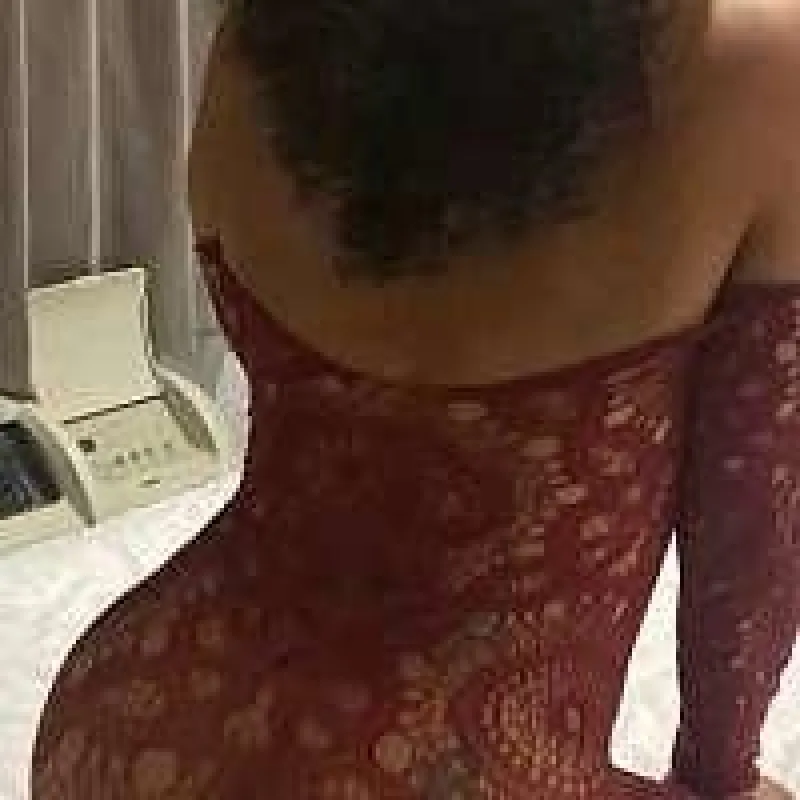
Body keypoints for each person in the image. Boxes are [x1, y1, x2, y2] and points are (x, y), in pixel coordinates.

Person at [31, 0, 799, 797]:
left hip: (126, 723)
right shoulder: (751, 61)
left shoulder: (268, 28)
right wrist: (723, 778)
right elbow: (757, 528)